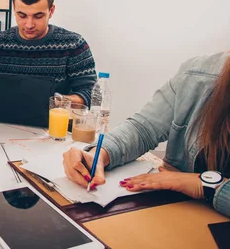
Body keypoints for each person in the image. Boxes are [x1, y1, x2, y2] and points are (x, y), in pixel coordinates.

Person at [62, 53, 230, 217]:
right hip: (179, 212)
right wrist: (101, 154)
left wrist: (207, 186)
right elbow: (143, 129)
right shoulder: (198, 73)